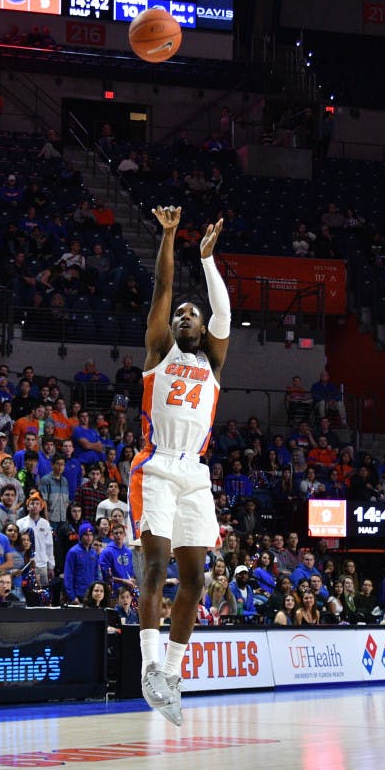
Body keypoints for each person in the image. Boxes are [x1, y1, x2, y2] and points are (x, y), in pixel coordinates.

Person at [134, 207, 228, 726]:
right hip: (157, 466)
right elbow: (162, 289)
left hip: (196, 472)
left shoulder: (212, 363)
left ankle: (172, 672)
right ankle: (149, 666)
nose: (186, 316)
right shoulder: (159, 352)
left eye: (193, 313)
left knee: (195, 575)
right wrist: (170, 236)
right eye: (180, 315)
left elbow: (225, 316)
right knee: (156, 564)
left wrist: (209, 261)